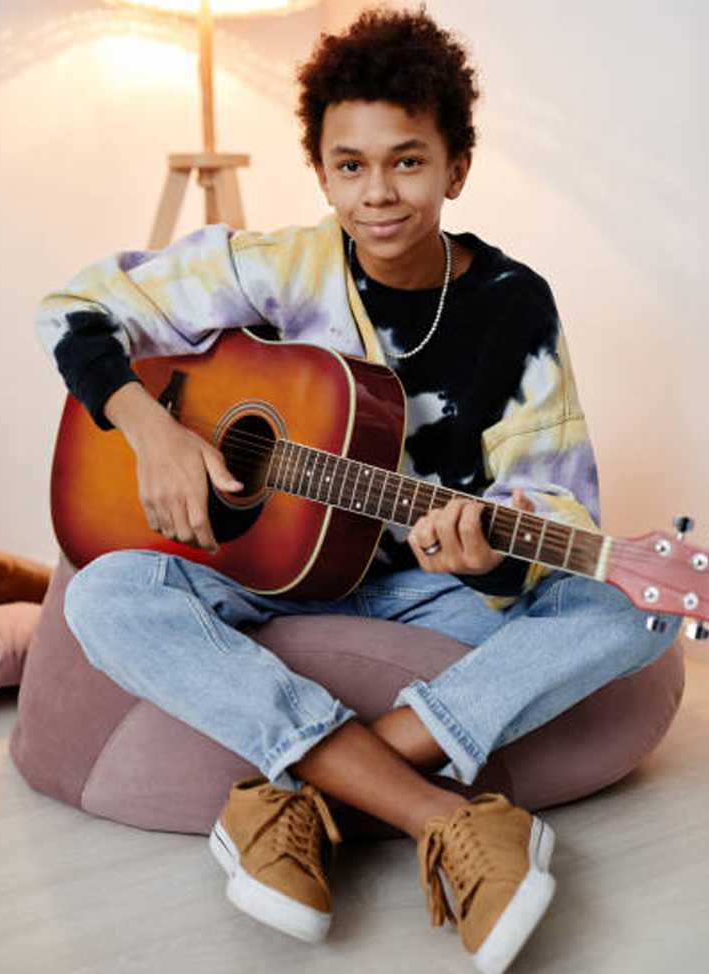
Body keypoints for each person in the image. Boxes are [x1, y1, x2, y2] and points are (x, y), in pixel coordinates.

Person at [36, 8, 678, 972]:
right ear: (323, 171)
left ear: (457, 167)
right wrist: (152, 431)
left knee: (637, 608)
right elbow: (76, 308)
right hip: (262, 574)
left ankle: (301, 791)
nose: (377, 192)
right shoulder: (275, 267)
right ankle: (436, 813)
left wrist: (492, 552)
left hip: (429, 590)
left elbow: (555, 499)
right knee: (103, 596)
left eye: (407, 162)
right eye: (350, 165)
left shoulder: (514, 305)